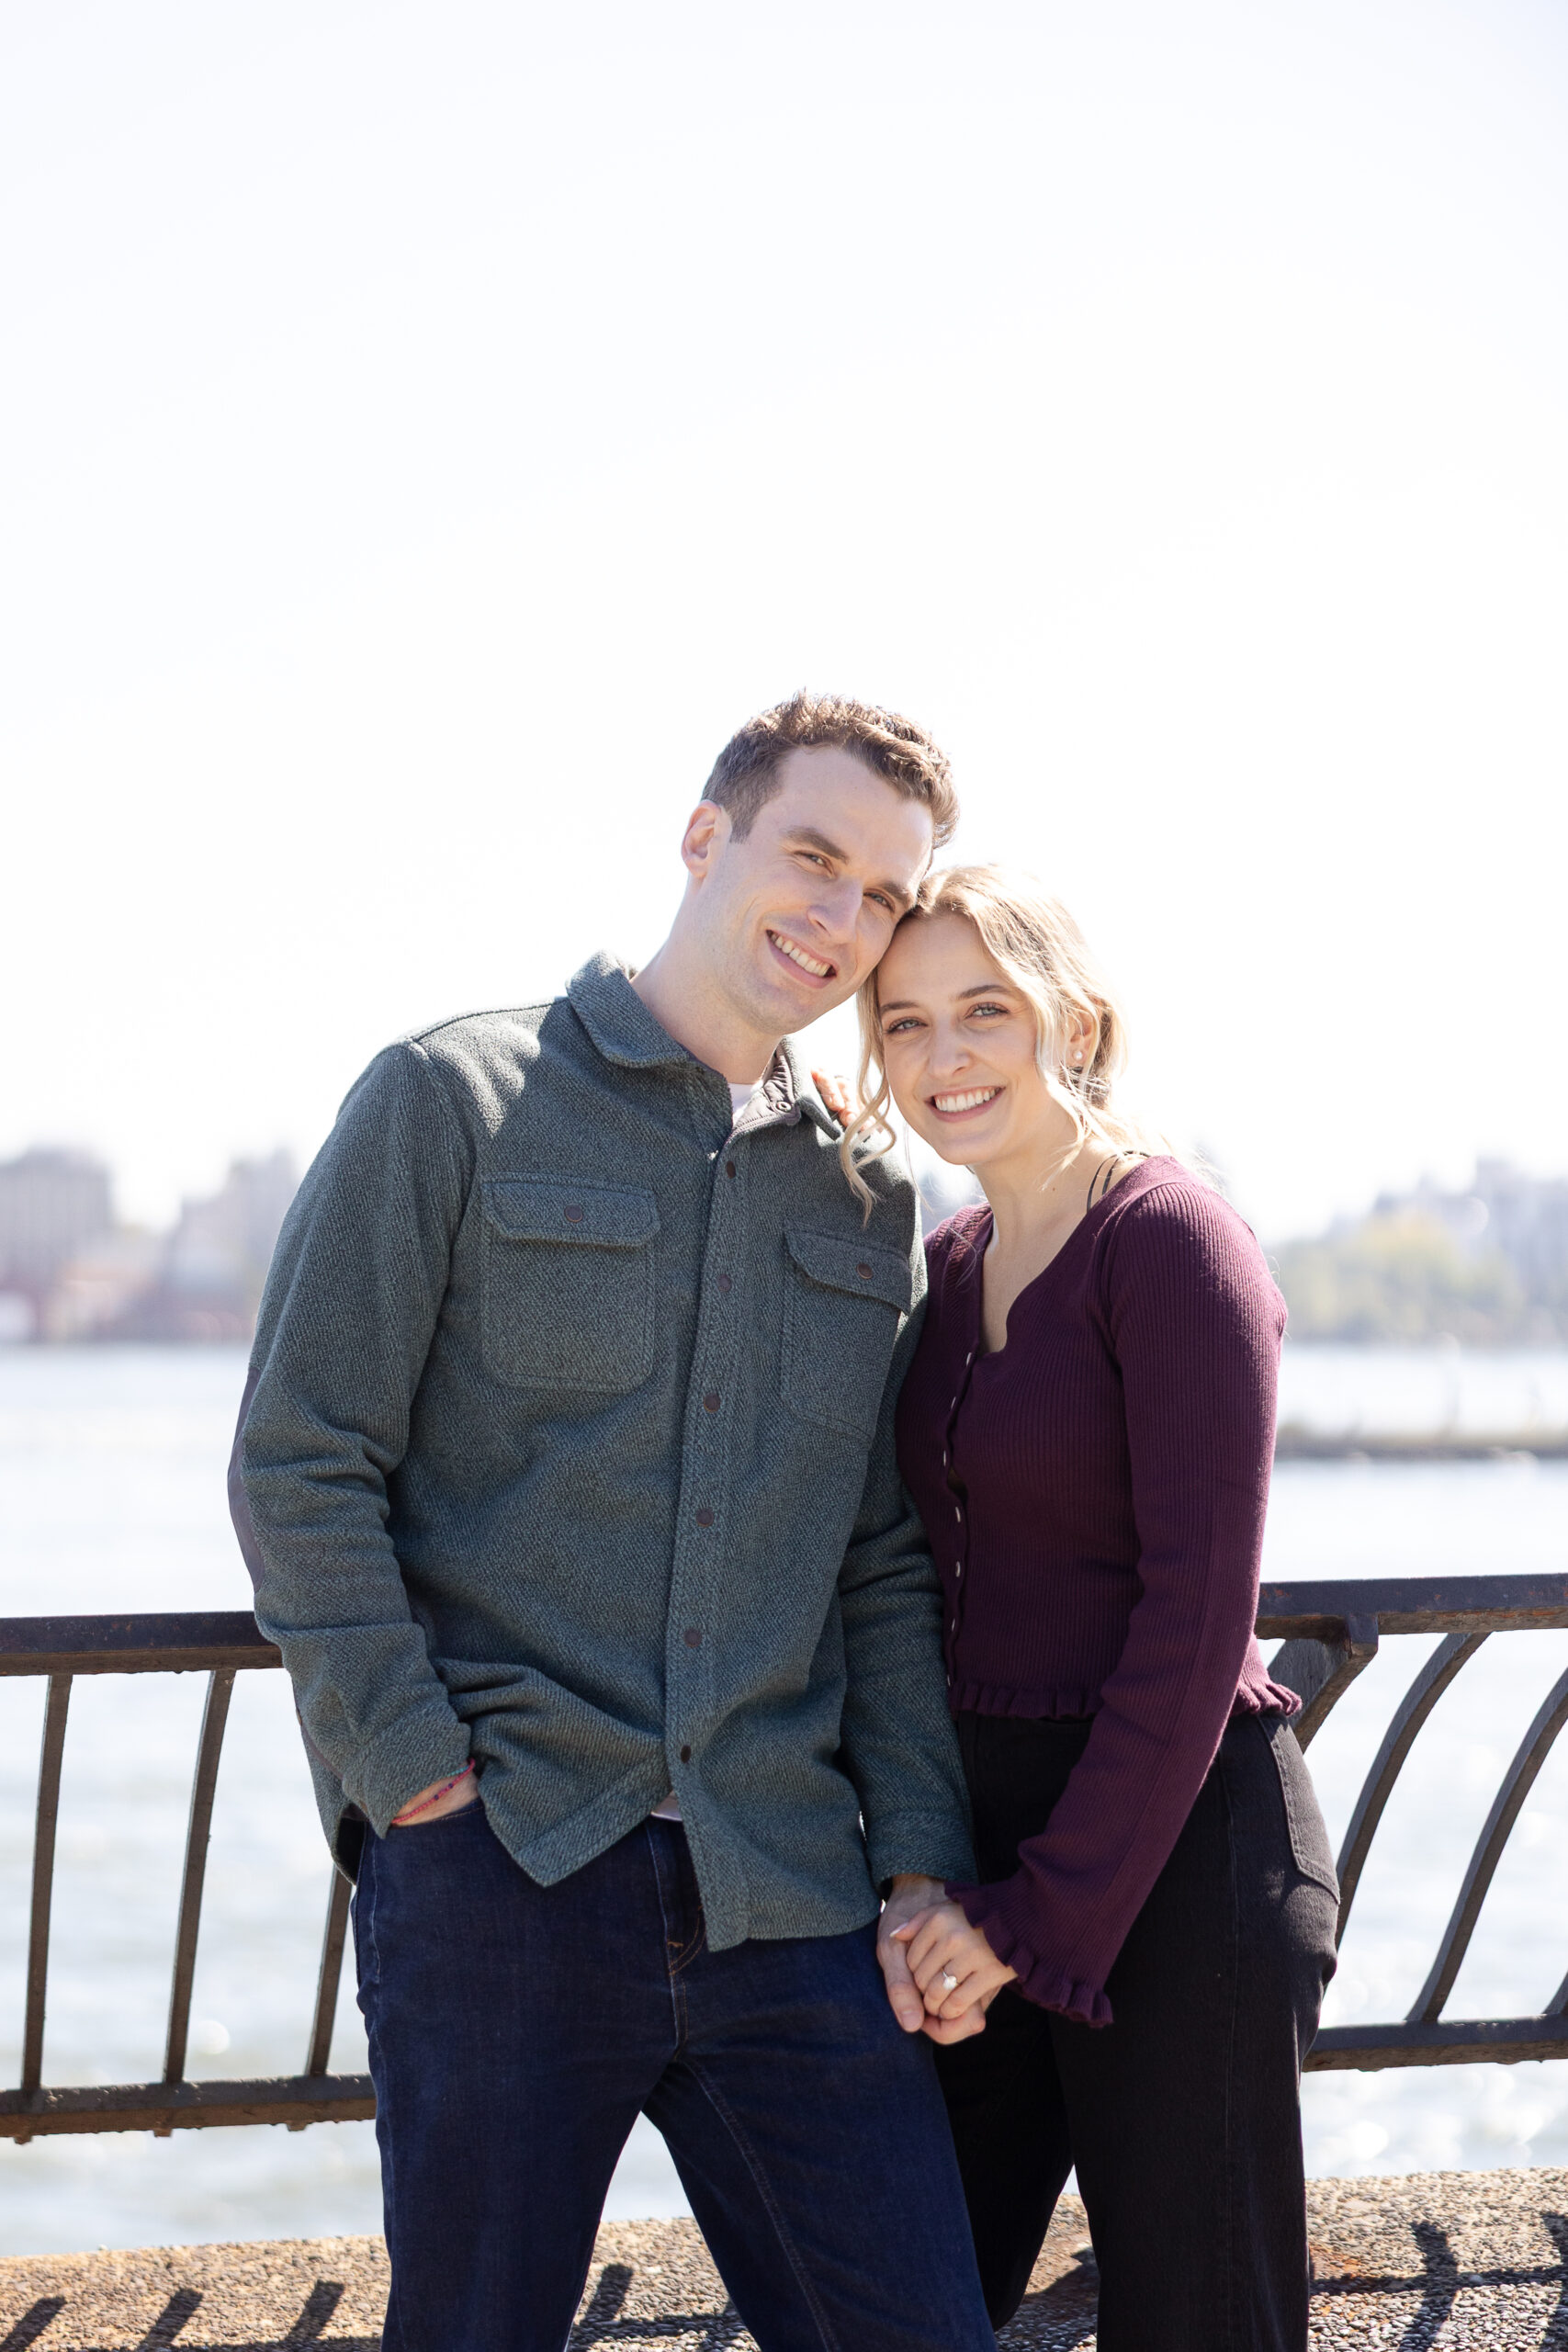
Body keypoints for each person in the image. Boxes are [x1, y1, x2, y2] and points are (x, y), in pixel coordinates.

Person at [228, 695, 997, 2352]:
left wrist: (924, 1855)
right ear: (706, 837)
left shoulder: (868, 1201)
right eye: (814, 857)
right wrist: (415, 1780)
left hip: (783, 1888)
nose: (842, 920)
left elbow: (872, 1563)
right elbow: (300, 1458)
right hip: (509, 1868)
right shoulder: (450, 1099)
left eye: (882, 893)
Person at [843, 865, 1338, 2350]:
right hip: (979, 1875)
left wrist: (1036, 1916)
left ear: (1078, 1019)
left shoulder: (1174, 1247)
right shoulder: (942, 1273)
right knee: (902, 2302)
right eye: (907, 1022)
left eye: (984, 1010)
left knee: (1200, 2324)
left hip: (1181, 1867)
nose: (946, 1058)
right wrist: (924, 1879)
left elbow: (1197, 1628)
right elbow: (907, 1592)